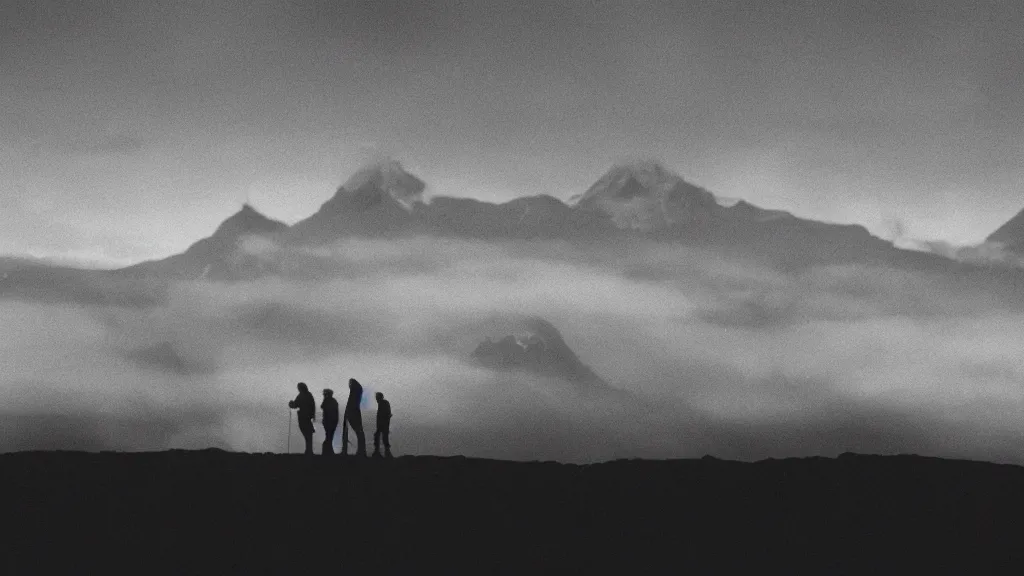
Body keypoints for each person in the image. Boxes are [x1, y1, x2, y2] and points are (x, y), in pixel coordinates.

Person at [288, 382, 316, 455]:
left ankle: (309, 450)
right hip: (307, 417)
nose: (298, 389)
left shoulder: (301, 395)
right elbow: (313, 405)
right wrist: (312, 415)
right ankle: (309, 450)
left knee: (307, 433)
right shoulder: (308, 395)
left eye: (299, 388)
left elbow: (295, 404)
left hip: (303, 417)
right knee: (308, 433)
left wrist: (291, 404)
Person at [341, 378, 366, 457]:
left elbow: (350, 404)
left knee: (358, 432)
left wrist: (347, 414)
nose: (349, 385)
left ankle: (359, 451)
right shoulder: (358, 391)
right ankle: (361, 451)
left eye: (350, 383)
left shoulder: (354, 392)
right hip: (355, 412)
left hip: (352, 412)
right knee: (359, 432)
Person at [373, 392, 392, 459]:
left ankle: (382, 453)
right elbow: (388, 414)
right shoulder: (383, 403)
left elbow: (386, 415)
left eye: (376, 397)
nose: (376, 399)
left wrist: (382, 425)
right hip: (383, 424)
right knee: (382, 438)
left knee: (382, 438)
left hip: (383, 424)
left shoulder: (382, 403)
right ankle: (385, 453)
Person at [320, 389, 339, 456]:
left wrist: (324, 397)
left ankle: (326, 451)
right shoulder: (334, 401)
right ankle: (328, 451)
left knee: (328, 436)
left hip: (328, 421)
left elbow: (322, 406)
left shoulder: (327, 400)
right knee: (330, 436)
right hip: (333, 421)